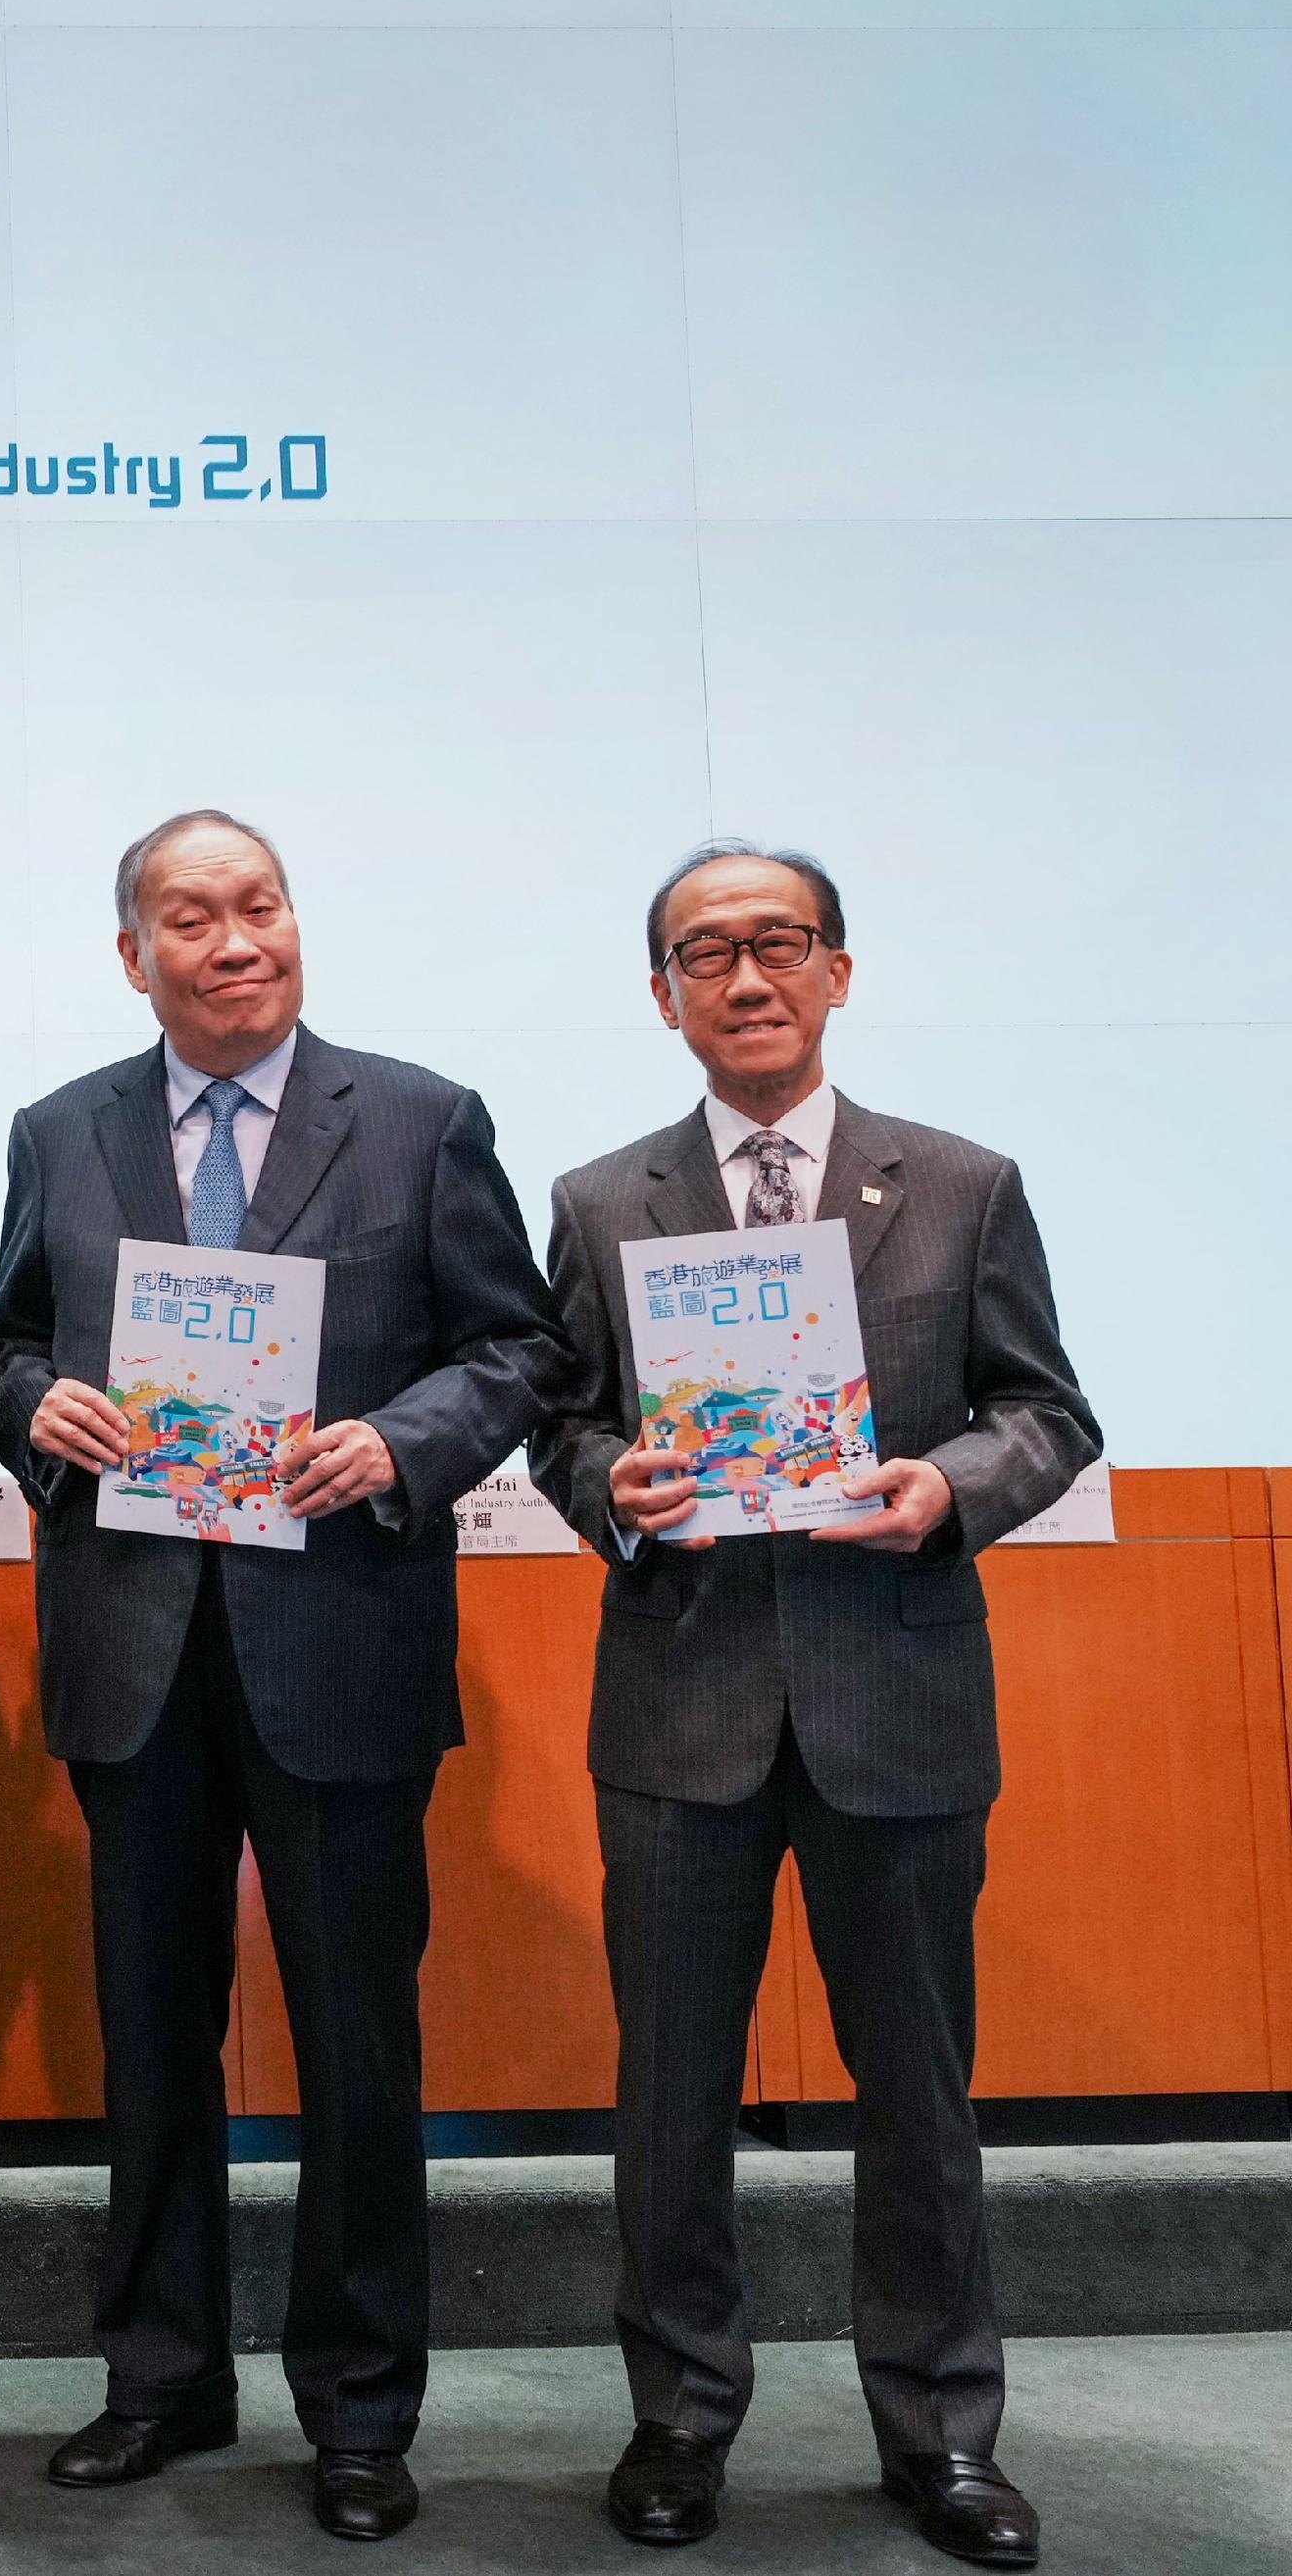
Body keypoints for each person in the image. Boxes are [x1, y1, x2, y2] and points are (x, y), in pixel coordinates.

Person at [0, 810, 561, 2545]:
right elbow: (6, 1338)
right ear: (131, 953)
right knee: (152, 2030)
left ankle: (362, 2404)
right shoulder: (60, 1129)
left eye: (262, 908)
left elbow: (522, 1347)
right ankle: (160, 2377)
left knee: (356, 2040)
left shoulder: (421, 1115)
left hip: (343, 1638)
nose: (237, 940)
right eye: (193, 918)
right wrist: (36, 1410)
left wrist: (397, 1444)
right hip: (136, 1647)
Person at [531, 845, 1093, 2569]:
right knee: (669, 2095)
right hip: (683, 1705)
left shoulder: (963, 1183)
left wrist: (946, 1482)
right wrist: (612, 1476)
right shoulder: (603, 1198)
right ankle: (680, 2417)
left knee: (918, 2088)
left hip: (898, 1700)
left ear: (839, 971)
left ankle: (940, 2428)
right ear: (663, 995)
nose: (747, 975)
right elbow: (557, 1425)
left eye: (779, 944)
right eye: (708, 952)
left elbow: (1047, 1410)